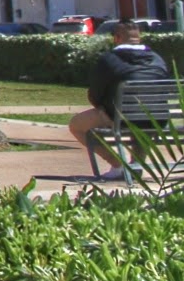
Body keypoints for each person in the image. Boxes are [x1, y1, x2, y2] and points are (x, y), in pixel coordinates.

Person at [70, 20, 173, 179]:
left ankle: (119, 165)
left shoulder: (109, 60)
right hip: (157, 119)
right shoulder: (157, 59)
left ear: (116, 38)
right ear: (139, 37)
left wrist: (103, 107)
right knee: (144, 119)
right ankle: (137, 165)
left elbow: (95, 95)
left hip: (121, 118)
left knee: (76, 125)